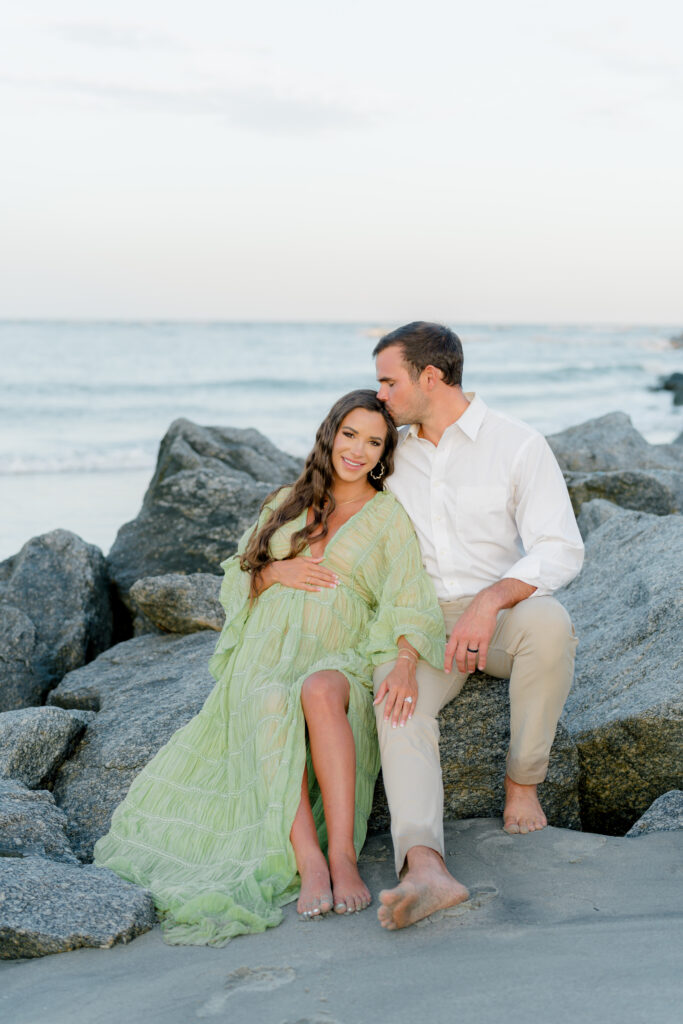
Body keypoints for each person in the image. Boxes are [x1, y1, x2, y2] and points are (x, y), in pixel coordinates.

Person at [94, 389, 445, 946]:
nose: (358, 450)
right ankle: (309, 861)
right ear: (330, 434)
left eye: (374, 442)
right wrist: (273, 575)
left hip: (339, 651)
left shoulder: (387, 517)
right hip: (264, 654)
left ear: (384, 455)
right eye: (350, 434)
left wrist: (403, 659)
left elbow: (408, 597)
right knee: (269, 697)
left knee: (319, 690)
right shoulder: (286, 500)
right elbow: (241, 573)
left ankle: (342, 857)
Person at [371, 322, 585, 931]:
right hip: (418, 619)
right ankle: (425, 866)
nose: (380, 394)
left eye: (389, 380)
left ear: (429, 377)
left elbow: (560, 548)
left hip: (499, 614)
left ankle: (523, 782)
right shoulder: (393, 451)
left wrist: (491, 599)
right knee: (396, 697)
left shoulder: (517, 444)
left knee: (550, 623)